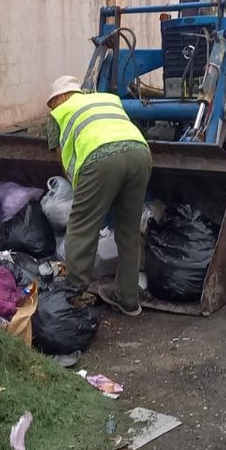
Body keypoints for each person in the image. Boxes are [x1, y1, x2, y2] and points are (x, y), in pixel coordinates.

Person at [45, 75, 152, 316]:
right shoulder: (106, 100)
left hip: (99, 160)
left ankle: (74, 293)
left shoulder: (59, 114)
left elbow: (62, 156)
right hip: (140, 154)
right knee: (128, 231)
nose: (51, 107)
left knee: (81, 227)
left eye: (52, 102)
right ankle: (128, 298)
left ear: (60, 97)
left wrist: (79, 188)